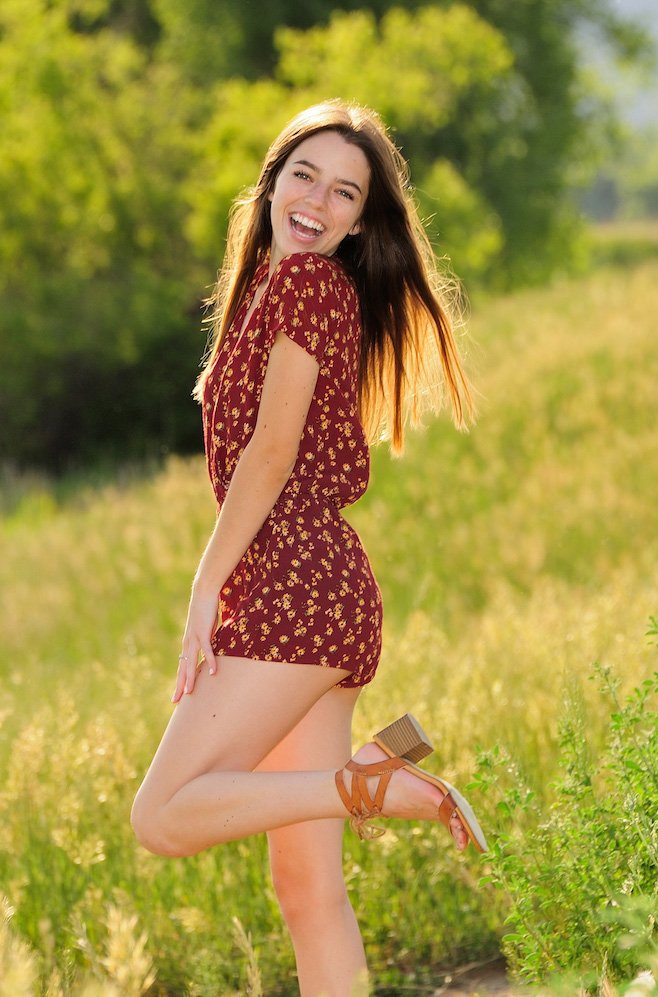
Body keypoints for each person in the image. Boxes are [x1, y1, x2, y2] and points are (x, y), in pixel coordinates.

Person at [131, 99, 487, 997]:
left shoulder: (306, 286)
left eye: (343, 193)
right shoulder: (276, 286)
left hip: (295, 588)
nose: (317, 203)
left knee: (161, 817)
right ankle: (361, 777)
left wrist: (205, 586)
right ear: (271, 183)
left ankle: (368, 785)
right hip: (319, 590)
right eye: (304, 177)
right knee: (307, 888)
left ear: (359, 220)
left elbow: (271, 452)